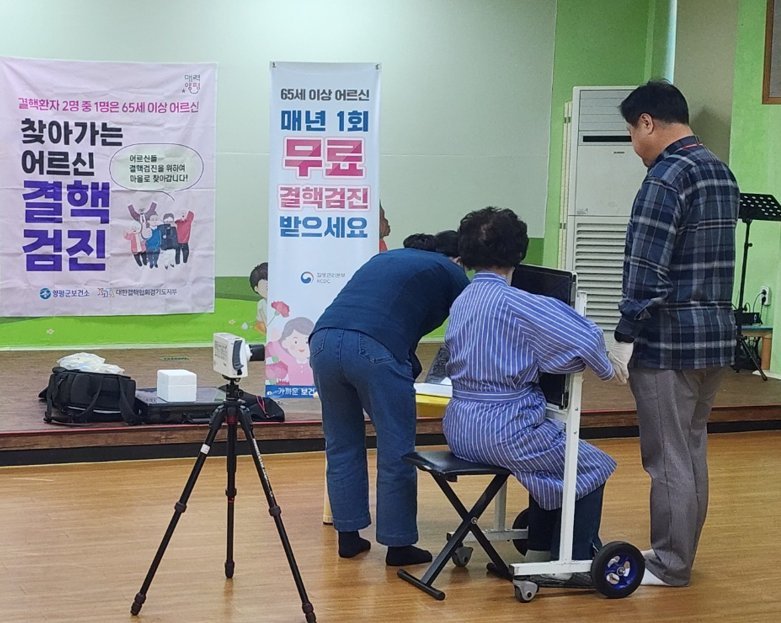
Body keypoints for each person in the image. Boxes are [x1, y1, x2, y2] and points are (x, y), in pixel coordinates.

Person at [609, 81, 739, 587]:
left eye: (631, 132)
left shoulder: (665, 177)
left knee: (667, 457)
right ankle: (679, 553)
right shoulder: (720, 171)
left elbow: (646, 271)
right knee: (690, 448)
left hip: (668, 342)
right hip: (715, 338)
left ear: (647, 122)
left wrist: (624, 335)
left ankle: (669, 563)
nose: (633, 144)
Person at [443, 207, 619, 574]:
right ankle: (572, 562)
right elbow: (586, 338)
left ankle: (538, 552)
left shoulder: (463, 299)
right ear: (518, 252)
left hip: (460, 426)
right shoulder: (518, 302)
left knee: (552, 456)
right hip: (505, 430)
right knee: (591, 465)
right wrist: (608, 368)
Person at [309, 244, 469, 566]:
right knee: (397, 449)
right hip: (373, 346)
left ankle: (348, 537)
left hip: (323, 341)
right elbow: (476, 321)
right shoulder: (451, 269)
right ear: (458, 257)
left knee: (341, 444)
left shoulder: (388, 258)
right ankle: (399, 545)